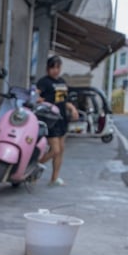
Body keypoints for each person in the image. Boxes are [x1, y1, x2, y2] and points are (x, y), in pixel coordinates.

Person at [36, 55, 78, 187]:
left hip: (61, 119)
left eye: (58, 67)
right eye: (52, 67)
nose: (55, 70)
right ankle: (33, 167)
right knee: (55, 150)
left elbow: (63, 101)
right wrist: (39, 99)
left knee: (61, 150)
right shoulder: (44, 81)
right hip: (49, 119)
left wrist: (72, 108)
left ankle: (54, 178)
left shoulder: (62, 82)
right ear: (48, 68)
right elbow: (35, 95)